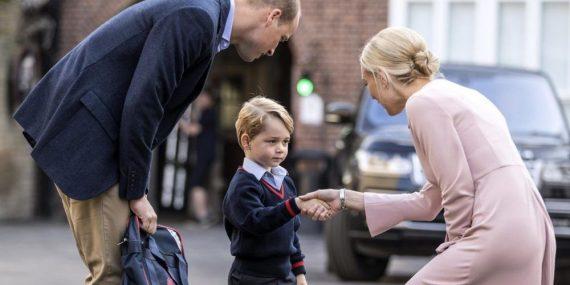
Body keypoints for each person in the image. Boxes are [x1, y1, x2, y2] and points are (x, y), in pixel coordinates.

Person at [12, 0, 301, 283]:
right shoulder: (197, 17)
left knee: (120, 272)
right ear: (272, 16)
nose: (275, 49)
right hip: (94, 142)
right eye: (282, 37)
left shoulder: (204, 14)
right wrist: (137, 192)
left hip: (91, 137)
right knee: (116, 274)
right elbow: (144, 102)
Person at [301, 27, 556, 285]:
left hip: (495, 230)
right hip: (528, 226)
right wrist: (345, 198)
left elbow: (457, 188)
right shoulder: (460, 95)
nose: (373, 95)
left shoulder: (423, 103)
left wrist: (455, 245)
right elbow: (429, 201)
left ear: (382, 77)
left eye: (368, 84)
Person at [223, 97, 330, 285]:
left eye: (285, 141)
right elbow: (257, 222)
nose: (280, 149)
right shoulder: (242, 186)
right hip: (252, 278)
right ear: (246, 141)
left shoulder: (285, 181)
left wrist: (299, 273)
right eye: (272, 141)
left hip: (285, 276)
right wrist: (294, 205)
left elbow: (291, 233)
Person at [179, 90, 218, 223]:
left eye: (202, 97)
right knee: (200, 183)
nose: (199, 100)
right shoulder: (205, 113)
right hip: (204, 155)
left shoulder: (209, 112)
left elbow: (192, 130)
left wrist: (177, 119)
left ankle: (202, 215)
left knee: (196, 183)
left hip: (204, 155)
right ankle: (203, 214)